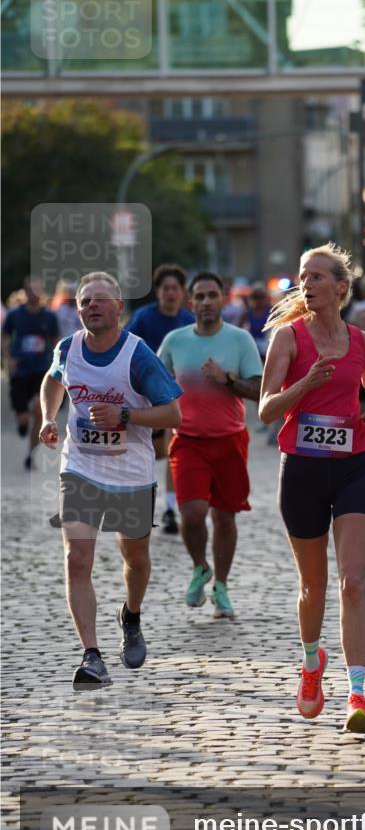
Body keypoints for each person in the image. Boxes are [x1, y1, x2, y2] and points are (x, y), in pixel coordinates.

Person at [259, 242, 365, 734]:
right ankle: (312, 663)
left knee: (352, 582)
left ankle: (358, 694)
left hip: (356, 464)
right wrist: (305, 385)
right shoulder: (289, 340)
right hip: (303, 470)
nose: (307, 284)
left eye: (317, 277)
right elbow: (268, 409)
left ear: (341, 287)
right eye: (302, 276)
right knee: (313, 586)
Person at [39, 272, 182, 690]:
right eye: (85, 302)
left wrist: (126, 416)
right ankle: (92, 656)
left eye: (101, 301)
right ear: (77, 308)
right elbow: (53, 378)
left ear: (119, 308)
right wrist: (50, 417)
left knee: (135, 559)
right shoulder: (68, 348)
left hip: (130, 473)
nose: (92, 307)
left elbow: (173, 414)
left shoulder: (138, 356)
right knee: (76, 558)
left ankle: (131, 615)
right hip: (80, 467)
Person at [158, 272, 263, 619]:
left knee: (225, 519)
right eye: (199, 297)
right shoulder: (175, 341)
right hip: (188, 440)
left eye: (212, 295)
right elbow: (156, 382)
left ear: (223, 299)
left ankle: (221, 585)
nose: (205, 302)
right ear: (191, 303)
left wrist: (227, 379)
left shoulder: (240, 340)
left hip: (230, 439)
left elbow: (258, 388)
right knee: (192, 515)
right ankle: (199, 566)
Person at [126, 264, 195, 534]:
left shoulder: (189, 322)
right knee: (150, 453)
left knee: (171, 447)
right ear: (158, 292)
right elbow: (125, 346)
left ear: (182, 292)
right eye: (165, 288)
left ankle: (168, 509)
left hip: (173, 395)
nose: (169, 293)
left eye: (174, 288)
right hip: (142, 393)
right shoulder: (144, 317)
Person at [2, 276, 59, 470]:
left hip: (41, 370)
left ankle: (31, 453)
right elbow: (4, 336)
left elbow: (56, 339)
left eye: (37, 289)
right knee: (24, 418)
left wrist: (56, 362)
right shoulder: (15, 315)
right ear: (25, 291)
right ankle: (22, 424)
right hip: (20, 370)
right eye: (30, 290)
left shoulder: (49, 316)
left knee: (38, 410)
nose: (33, 293)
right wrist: (8, 358)